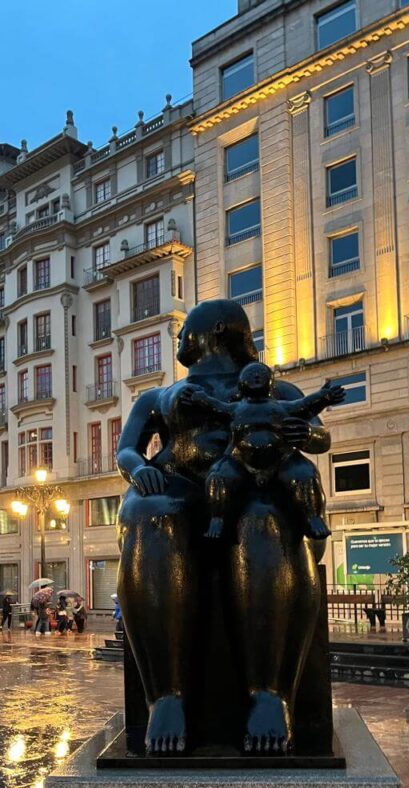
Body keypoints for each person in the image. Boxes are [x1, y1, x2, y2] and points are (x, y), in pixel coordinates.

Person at [116, 299, 332, 753]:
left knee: (263, 521)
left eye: (183, 333)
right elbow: (127, 449)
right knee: (152, 515)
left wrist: (300, 435)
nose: (177, 342)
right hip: (176, 485)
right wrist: (139, 471)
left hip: (256, 485)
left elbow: (314, 432)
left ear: (214, 331)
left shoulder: (276, 387)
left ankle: (270, 693)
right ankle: (165, 695)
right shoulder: (157, 397)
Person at [179, 362, 345, 540]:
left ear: (270, 383)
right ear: (242, 383)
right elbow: (213, 406)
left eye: (260, 373)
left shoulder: (283, 406)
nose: (256, 376)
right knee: (218, 477)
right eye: (251, 374)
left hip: (282, 459)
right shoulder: (235, 408)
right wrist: (199, 398)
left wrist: (325, 397)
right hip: (239, 460)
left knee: (305, 475)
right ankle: (217, 518)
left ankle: (314, 517)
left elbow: (307, 404)